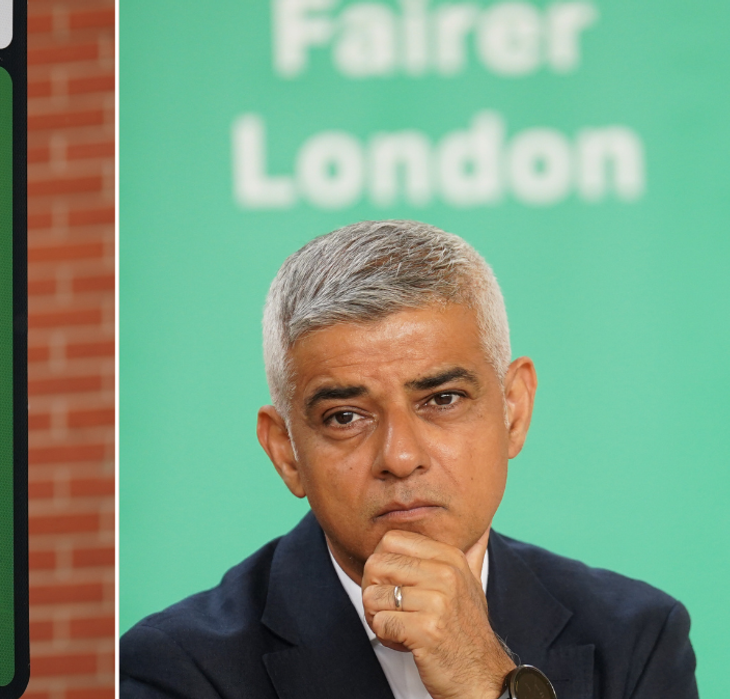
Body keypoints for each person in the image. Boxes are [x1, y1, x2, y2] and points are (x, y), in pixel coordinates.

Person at [120, 220, 697, 699]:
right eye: (346, 416)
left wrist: (485, 682)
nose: (399, 456)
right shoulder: (179, 669)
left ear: (513, 411)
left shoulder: (637, 638)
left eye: (442, 400)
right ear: (286, 452)